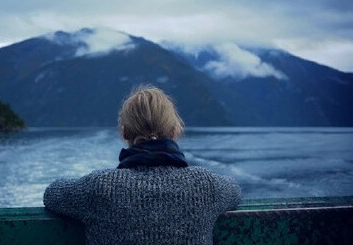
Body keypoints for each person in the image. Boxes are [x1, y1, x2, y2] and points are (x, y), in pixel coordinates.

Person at [44, 86, 241, 245]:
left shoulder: (100, 187)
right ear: (174, 131)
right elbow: (235, 191)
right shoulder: (206, 185)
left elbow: (52, 194)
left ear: (124, 133)